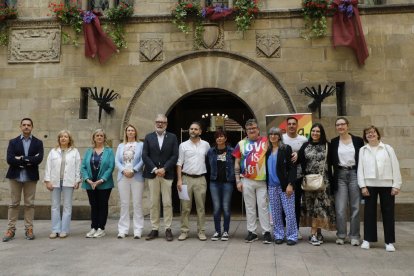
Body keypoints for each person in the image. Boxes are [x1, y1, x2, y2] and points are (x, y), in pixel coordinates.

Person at [357, 125, 402, 252]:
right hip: (369, 185)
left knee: (388, 213)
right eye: (367, 133)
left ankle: (389, 241)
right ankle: (367, 239)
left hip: (387, 185)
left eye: (372, 132)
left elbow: (395, 166)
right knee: (369, 213)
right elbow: (360, 169)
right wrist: (362, 186)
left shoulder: (388, 148)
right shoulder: (363, 150)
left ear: (377, 134)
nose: (370, 135)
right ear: (365, 136)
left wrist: (396, 185)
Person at [3, 118, 44, 242]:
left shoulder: (38, 142)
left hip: (30, 177)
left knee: (29, 204)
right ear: (20, 127)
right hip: (15, 176)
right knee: (14, 203)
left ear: (32, 127)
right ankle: (10, 230)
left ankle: (29, 229)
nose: (26, 127)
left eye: (29, 125)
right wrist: (29, 160)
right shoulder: (13, 142)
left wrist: (21, 159)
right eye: (24, 125)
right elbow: (10, 159)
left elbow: (39, 159)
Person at [233, 119, 272, 244]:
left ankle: (266, 232)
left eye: (253, 128)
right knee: (249, 207)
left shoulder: (266, 141)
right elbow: (237, 163)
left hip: (262, 180)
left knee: (263, 206)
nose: (251, 130)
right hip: (247, 179)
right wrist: (238, 180)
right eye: (249, 129)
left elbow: (277, 150)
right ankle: (252, 232)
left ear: (258, 129)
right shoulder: (241, 143)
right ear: (246, 130)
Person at [298, 123, 336, 246]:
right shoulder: (305, 145)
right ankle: (317, 233)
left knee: (319, 208)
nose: (315, 133)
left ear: (322, 133)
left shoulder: (327, 146)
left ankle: (313, 234)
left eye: (318, 131)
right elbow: (299, 160)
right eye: (313, 131)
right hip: (308, 182)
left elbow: (333, 163)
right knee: (311, 208)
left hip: (323, 182)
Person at [142, 114, 178, 242]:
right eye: (158, 122)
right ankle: (154, 229)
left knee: (167, 203)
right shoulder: (148, 137)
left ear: (166, 124)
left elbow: (175, 156)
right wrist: (155, 169)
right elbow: (145, 155)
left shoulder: (172, 137)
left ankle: (168, 228)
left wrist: (164, 168)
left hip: (167, 174)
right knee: (153, 203)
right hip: (152, 174)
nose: (160, 124)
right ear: (154, 123)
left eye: (162, 122)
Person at [330, 117, 364, 246]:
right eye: (338, 125)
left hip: (355, 174)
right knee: (340, 207)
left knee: (355, 207)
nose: (340, 127)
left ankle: (354, 235)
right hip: (340, 175)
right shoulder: (333, 142)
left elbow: (363, 159)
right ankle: (341, 235)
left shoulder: (358, 141)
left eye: (342, 124)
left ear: (347, 126)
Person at [176, 122, 210, 241]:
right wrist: (179, 180)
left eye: (196, 129)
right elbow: (179, 163)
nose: (193, 131)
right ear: (189, 130)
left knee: (201, 207)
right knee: (185, 208)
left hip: (200, 179)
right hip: (186, 179)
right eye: (191, 129)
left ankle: (201, 231)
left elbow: (209, 160)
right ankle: (184, 231)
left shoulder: (206, 145)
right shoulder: (183, 145)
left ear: (200, 131)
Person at [44, 130, 81, 239]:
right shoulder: (53, 152)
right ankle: (55, 229)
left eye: (66, 137)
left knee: (67, 206)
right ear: (58, 139)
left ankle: (64, 230)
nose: (63, 138)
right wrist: (47, 180)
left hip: (68, 182)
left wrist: (77, 180)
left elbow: (78, 167)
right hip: (55, 181)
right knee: (55, 206)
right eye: (61, 137)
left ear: (69, 139)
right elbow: (48, 167)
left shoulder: (74, 152)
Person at [81, 129, 115, 238]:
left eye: (101, 136)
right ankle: (93, 227)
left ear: (104, 138)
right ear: (94, 138)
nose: (99, 137)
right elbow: (83, 167)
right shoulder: (88, 151)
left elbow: (111, 167)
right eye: (97, 135)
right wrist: (87, 179)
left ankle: (101, 228)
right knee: (94, 205)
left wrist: (101, 180)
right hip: (90, 184)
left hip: (104, 184)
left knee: (102, 205)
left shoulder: (109, 151)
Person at [266, 127, 297, 245]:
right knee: (275, 213)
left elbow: (292, 168)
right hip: (272, 186)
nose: (273, 136)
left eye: (276, 134)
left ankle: (292, 236)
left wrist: (290, 184)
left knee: (289, 213)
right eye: (271, 134)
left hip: (285, 186)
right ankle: (278, 235)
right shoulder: (267, 151)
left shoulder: (286, 149)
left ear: (279, 136)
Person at [115, 124, 144, 239]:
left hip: (136, 176)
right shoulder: (121, 146)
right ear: (126, 133)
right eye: (128, 130)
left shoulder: (141, 145)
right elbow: (117, 161)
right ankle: (123, 230)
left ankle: (138, 230)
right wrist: (123, 170)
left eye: (132, 130)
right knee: (124, 204)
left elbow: (143, 159)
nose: (130, 132)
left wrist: (134, 170)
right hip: (123, 177)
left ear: (135, 132)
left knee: (137, 204)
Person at [207, 130, 235, 241]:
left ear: (225, 138)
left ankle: (226, 231)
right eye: (217, 137)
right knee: (217, 208)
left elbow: (236, 164)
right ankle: (217, 231)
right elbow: (207, 165)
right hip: (214, 182)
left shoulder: (231, 151)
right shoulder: (211, 151)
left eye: (221, 136)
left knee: (226, 207)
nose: (219, 138)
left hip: (227, 182)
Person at [282, 116, 308, 240]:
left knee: (296, 204)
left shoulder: (303, 139)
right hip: (283, 177)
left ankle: (295, 230)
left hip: (298, 177)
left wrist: (299, 154)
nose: (291, 126)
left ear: (297, 126)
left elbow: (306, 157)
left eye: (294, 124)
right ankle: (282, 230)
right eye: (289, 124)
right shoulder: (281, 139)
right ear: (286, 126)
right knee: (283, 205)